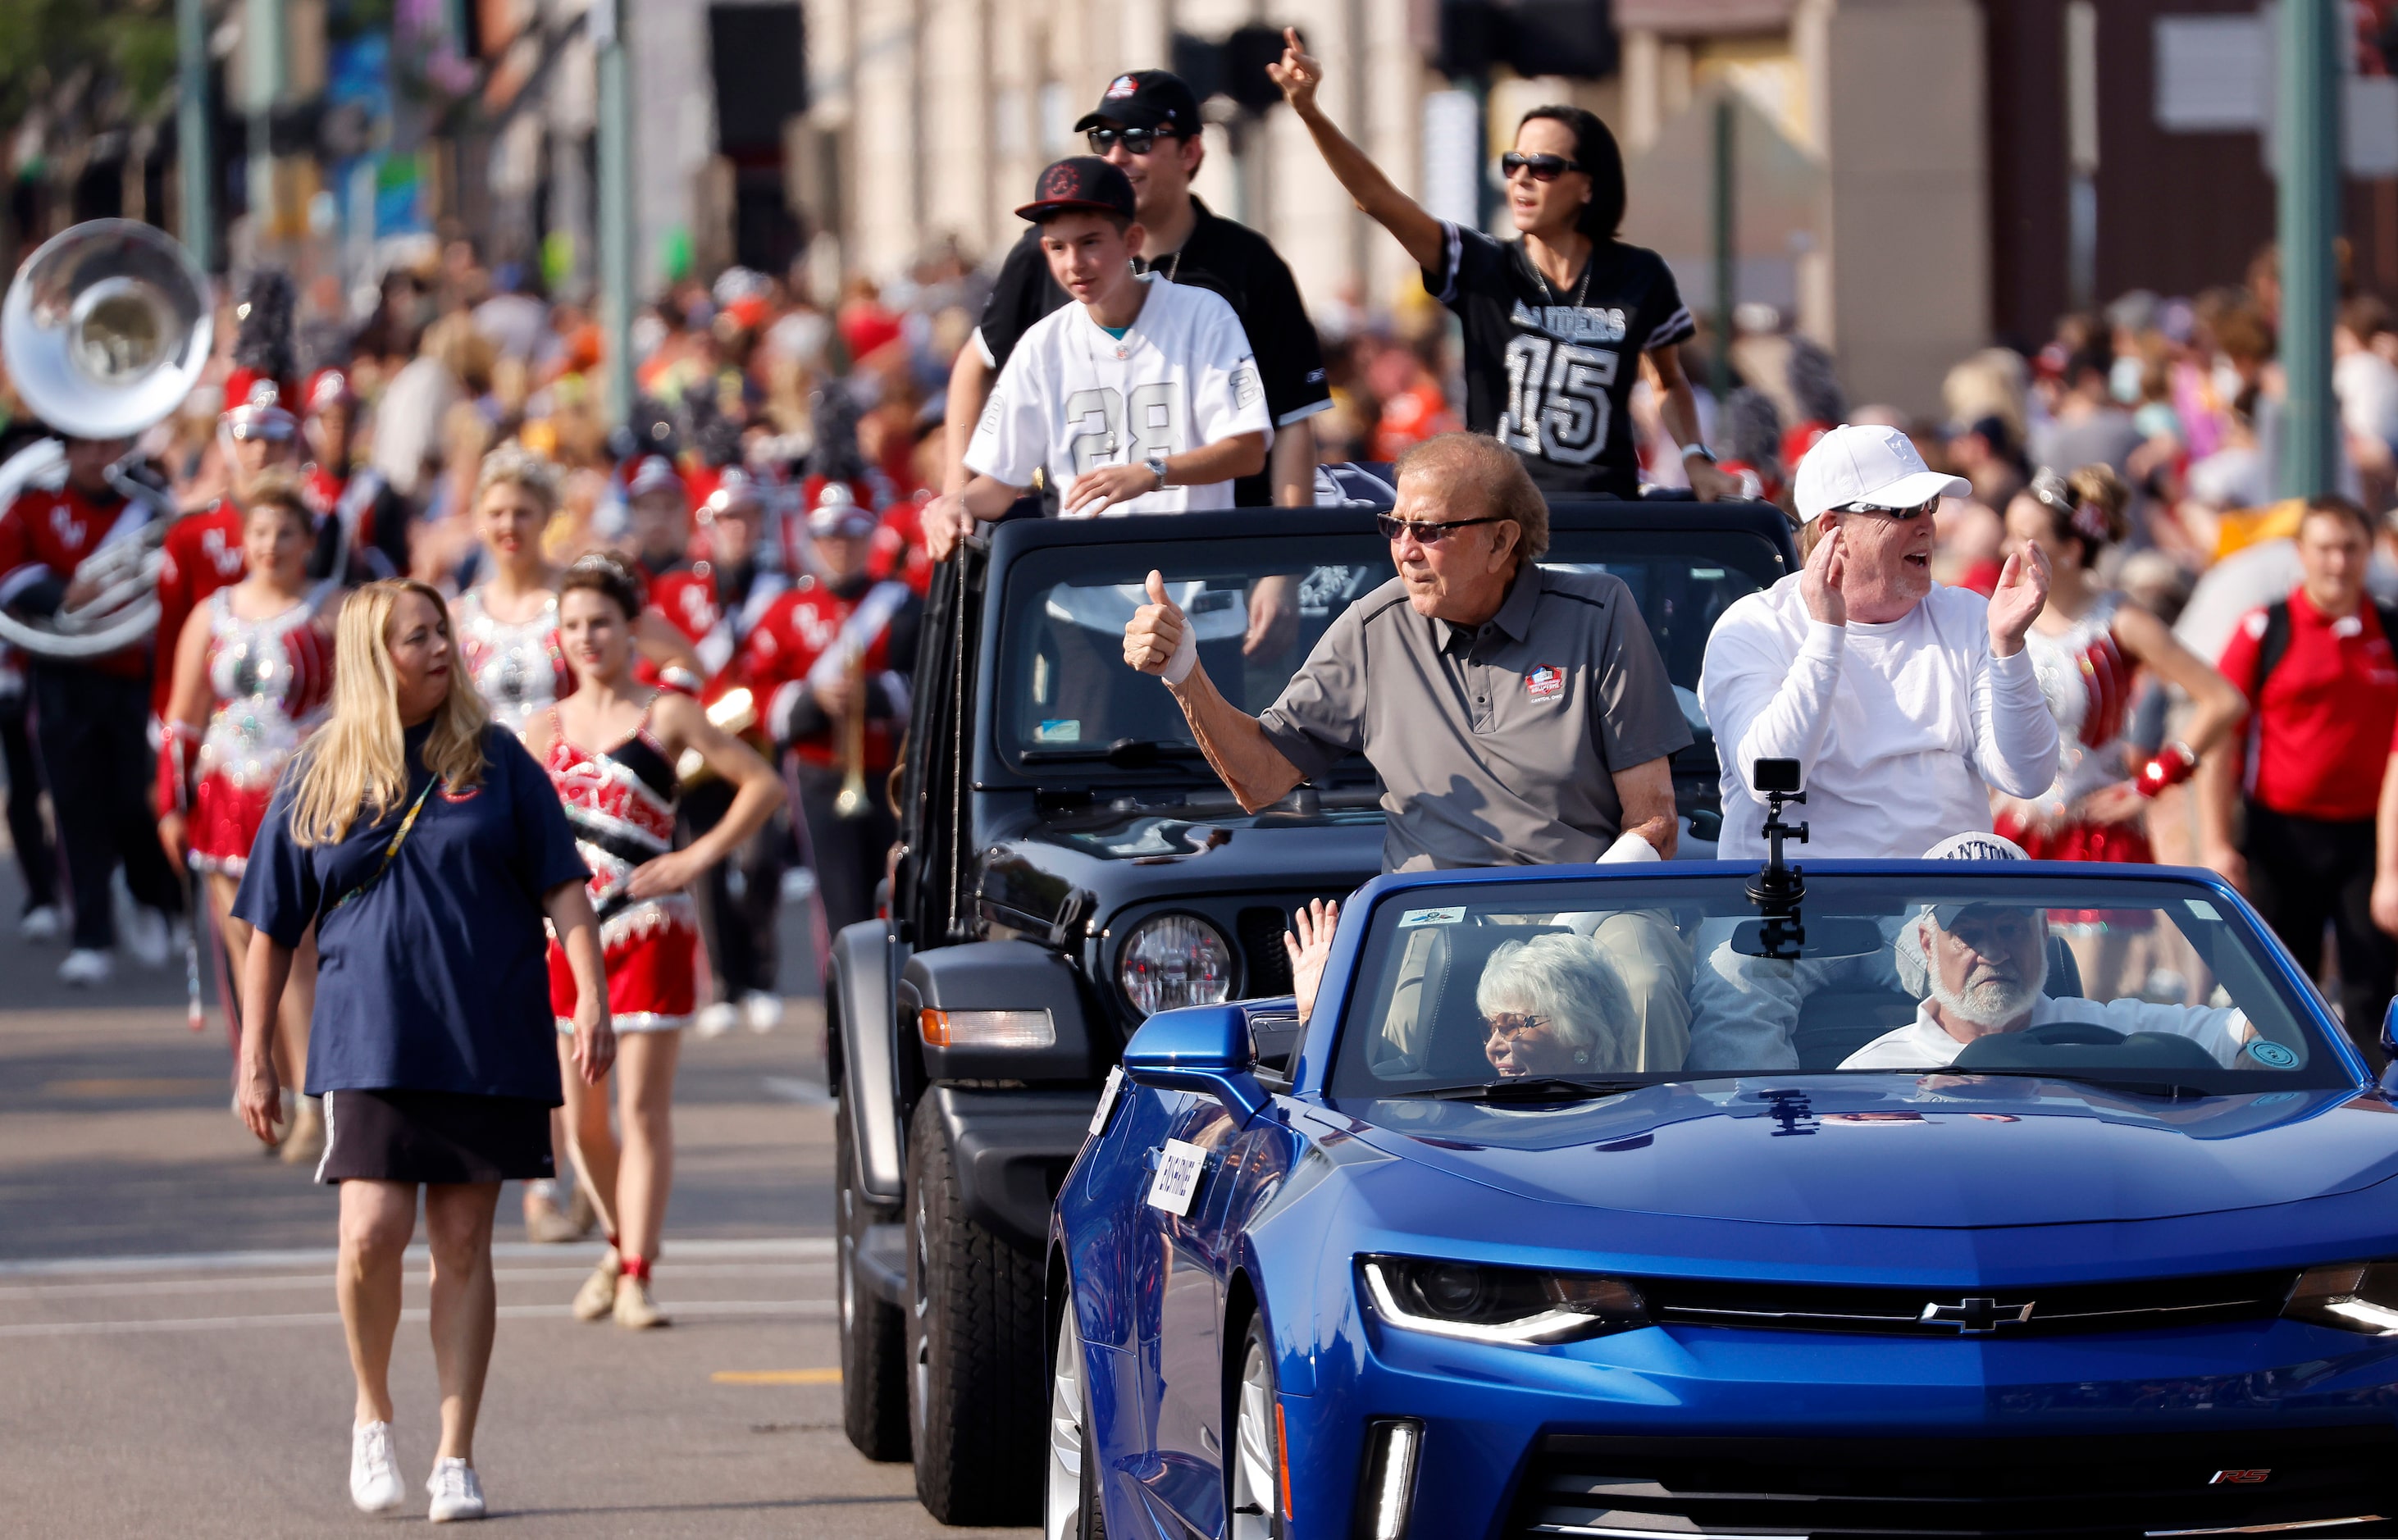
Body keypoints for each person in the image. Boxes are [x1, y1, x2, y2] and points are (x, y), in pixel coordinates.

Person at [231, 578, 611, 1522]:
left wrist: (592, 995)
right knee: (369, 1238)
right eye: (418, 638)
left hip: (487, 1030)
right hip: (370, 1036)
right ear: (374, 657)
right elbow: (269, 927)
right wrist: (255, 1055)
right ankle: (372, 1414)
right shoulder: (319, 770)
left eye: (443, 632)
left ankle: (454, 1453)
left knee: (462, 1243)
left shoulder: (499, 761)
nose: (442, 649)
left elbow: (564, 886)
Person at [1127, 432, 1692, 1030]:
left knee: (1647, 981)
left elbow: (1654, 824)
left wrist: (1564, 935)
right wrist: (1186, 673)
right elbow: (1261, 779)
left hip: (1589, 909)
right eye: (1394, 527)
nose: (1404, 550)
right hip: (1435, 915)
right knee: (1396, 1026)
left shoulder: (1600, 612)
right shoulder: (1374, 626)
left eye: (1429, 530)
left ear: (1502, 540)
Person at [1270, 30, 1738, 502]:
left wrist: (1696, 459)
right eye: (1513, 164)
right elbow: (1375, 199)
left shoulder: (1640, 275)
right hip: (1500, 519)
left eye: (1544, 168)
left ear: (1588, 186)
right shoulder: (1482, 264)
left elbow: (1670, 381)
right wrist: (1310, 111)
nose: (1521, 180)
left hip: (1604, 519)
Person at [450, 445, 701, 1242]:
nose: (508, 527)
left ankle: (554, 1189)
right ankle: (557, 1166)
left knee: (568, 1006)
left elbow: (682, 663)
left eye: (522, 512)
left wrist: (659, 754)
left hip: (587, 815)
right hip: (489, 809)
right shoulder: (461, 612)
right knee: (523, 1003)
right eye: (494, 514)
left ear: (542, 517)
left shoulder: (580, 595)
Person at [529, 554, 783, 1329]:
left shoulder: (665, 713)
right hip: (568, 940)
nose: (587, 638)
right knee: (583, 1121)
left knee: (640, 1109)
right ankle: (617, 1244)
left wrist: (695, 856)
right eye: (572, 626)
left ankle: (637, 1271)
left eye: (601, 622)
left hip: (650, 931)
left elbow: (761, 784)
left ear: (629, 628)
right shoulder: (541, 729)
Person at [948, 69, 1331, 517]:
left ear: (1190, 151)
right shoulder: (1040, 254)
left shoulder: (1245, 264)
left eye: (1138, 138)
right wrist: (955, 499)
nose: (1116, 155)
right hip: (1081, 558)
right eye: (1102, 137)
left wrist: (1282, 563)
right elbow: (976, 365)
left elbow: (1291, 423)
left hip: (1213, 544)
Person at [1698, 422, 2061, 862]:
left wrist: (2009, 648)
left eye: (1931, 503)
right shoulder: (1755, 626)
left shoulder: (1966, 617)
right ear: (1835, 529)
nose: (1929, 524)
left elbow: (2028, 776)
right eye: (1904, 509)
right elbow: (1770, 777)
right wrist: (1828, 636)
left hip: (1940, 916)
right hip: (1801, 914)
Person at [923, 157, 1271, 558]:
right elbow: (1000, 485)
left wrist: (1152, 472)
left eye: (1090, 242)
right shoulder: (1041, 344)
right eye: (1058, 247)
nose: (1074, 263)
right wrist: (953, 503)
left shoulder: (1204, 314)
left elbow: (1247, 451)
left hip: (1196, 585)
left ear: (1132, 241)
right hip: (1085, 597)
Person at [1993, 466, 2244, 991]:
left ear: (2071, 549)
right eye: (2008, 531)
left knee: (2087, 1010)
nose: (2005, 547)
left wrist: (2150, 782)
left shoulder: (2117, 621)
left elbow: (2222, 700)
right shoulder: (1995, 619)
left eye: (2024, 536)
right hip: (2014, 838)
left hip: (2096, 841)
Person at [156, 473, 337, 1163]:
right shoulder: (214, 613)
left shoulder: (331, 611)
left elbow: (360, 709)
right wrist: (171, 804)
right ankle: (277, 1089)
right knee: (243, 949)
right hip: (225, 806)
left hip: (300, 803)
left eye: (284, 532)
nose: (269, 545)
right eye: (258, 532)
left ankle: (317, 1100)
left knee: (301, 954)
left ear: (308, 542)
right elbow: (183, 718)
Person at [2200, 494, 2398, 1060]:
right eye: (2326, 549)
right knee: (2280, 993)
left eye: (2351, 549)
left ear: (2369, 552)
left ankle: (2375, 1117)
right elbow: (2221, 738)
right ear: (2301, 553)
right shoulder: (2268, 628)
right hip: (2279, 836)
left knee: (2371, 990)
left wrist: (2391, 867)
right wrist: (2215, 841)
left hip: (2367, 839)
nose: (2338, 563)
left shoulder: (2389, 631)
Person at [0, 433, 185, 983]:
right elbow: (9, 575)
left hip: (133, 675)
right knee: (76, 807)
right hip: (61, 676)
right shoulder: (34, 505)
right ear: (66, 451)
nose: (98, 459)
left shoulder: (149, 503)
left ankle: (156, 898)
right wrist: (62, 594)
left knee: (136, 802)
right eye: (85, 447)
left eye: (108, 447)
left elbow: (172, 574)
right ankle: (91, 937)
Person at [740, 485, 923, 945]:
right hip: (820, 771)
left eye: (851, 535)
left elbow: (932, 680)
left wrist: (876, 694)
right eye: (828, 537)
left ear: (869, 538)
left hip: (894, 772)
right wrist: (813, 700)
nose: (839, 547)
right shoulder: (784, 610)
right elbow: (758, 694)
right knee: (839, 901)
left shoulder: (904, 605)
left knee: (907, 897)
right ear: (813, 542)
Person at [1840, 895, 2259, 1071]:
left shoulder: (2109, 1034)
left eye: (2010, 929)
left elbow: (2255, 1027)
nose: (1994, 952)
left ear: (2043, 935)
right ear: (1928, 945)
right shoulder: (1871, 1073)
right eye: (1969, 935)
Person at [672, 471, 796, 1037]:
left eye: (747, 516)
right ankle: (724, 985)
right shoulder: (681, 591)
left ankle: (763, 978)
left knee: (760, 862)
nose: (738, 529)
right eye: (727, 518)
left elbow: (791, 660)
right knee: (708, 868)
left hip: (756, 746)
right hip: (701, 751)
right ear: (709, 525)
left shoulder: (782, 588)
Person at [1475, 932, 1654, 1078]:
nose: (1492, 1047)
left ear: (1584, 1032)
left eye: (1512, 1025)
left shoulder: (1633, 1117)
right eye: (1490, 1028)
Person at [300, 367, 411, 582]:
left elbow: (398, 567)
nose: (338, 431)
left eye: (346, 420)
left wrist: (365, 556)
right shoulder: (299, 490)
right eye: (329, 421)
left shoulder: (377, 491)